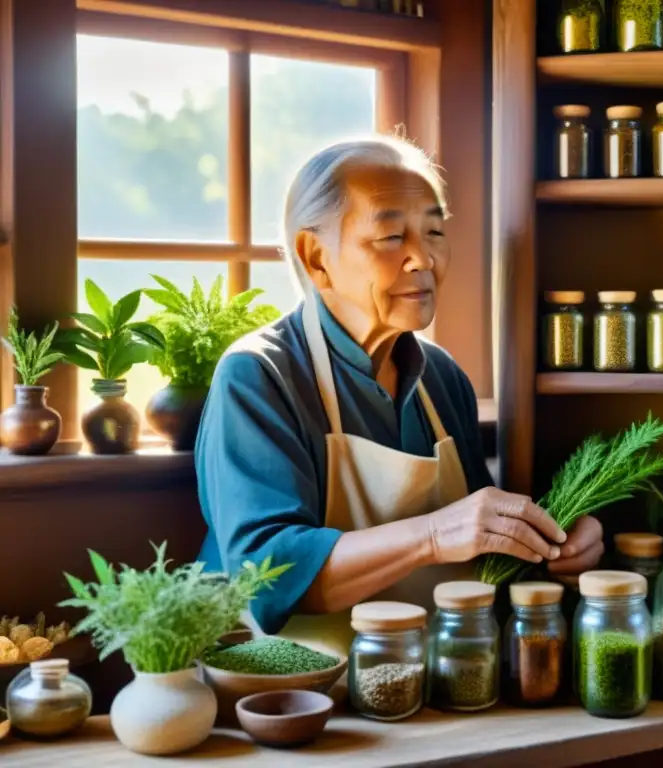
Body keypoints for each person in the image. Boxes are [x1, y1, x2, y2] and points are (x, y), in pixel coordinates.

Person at [195, 136, 603, 657]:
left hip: (427, 678)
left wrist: (556, 546)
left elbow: (477, 553)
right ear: (316, 257)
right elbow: (265, 576)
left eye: (434, 231)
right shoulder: (259, 375)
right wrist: (432, 534)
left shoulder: (443, 378)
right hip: (296, 698)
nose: (423, 258)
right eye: (390, 236)